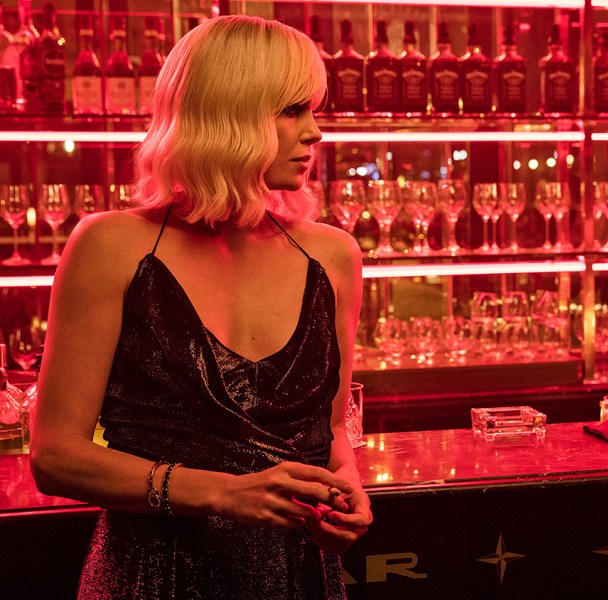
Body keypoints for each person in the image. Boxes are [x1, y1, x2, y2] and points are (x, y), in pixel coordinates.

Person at [29, 15, 371, 599]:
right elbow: (55, 455)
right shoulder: (112, 245)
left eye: (312, 110)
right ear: (228, 115)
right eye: (291, 110)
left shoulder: (333, 255)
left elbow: (332, 429)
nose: (315, 132)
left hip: (296, 577)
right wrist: (220, 492)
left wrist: (347, 491)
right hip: (155, 576)